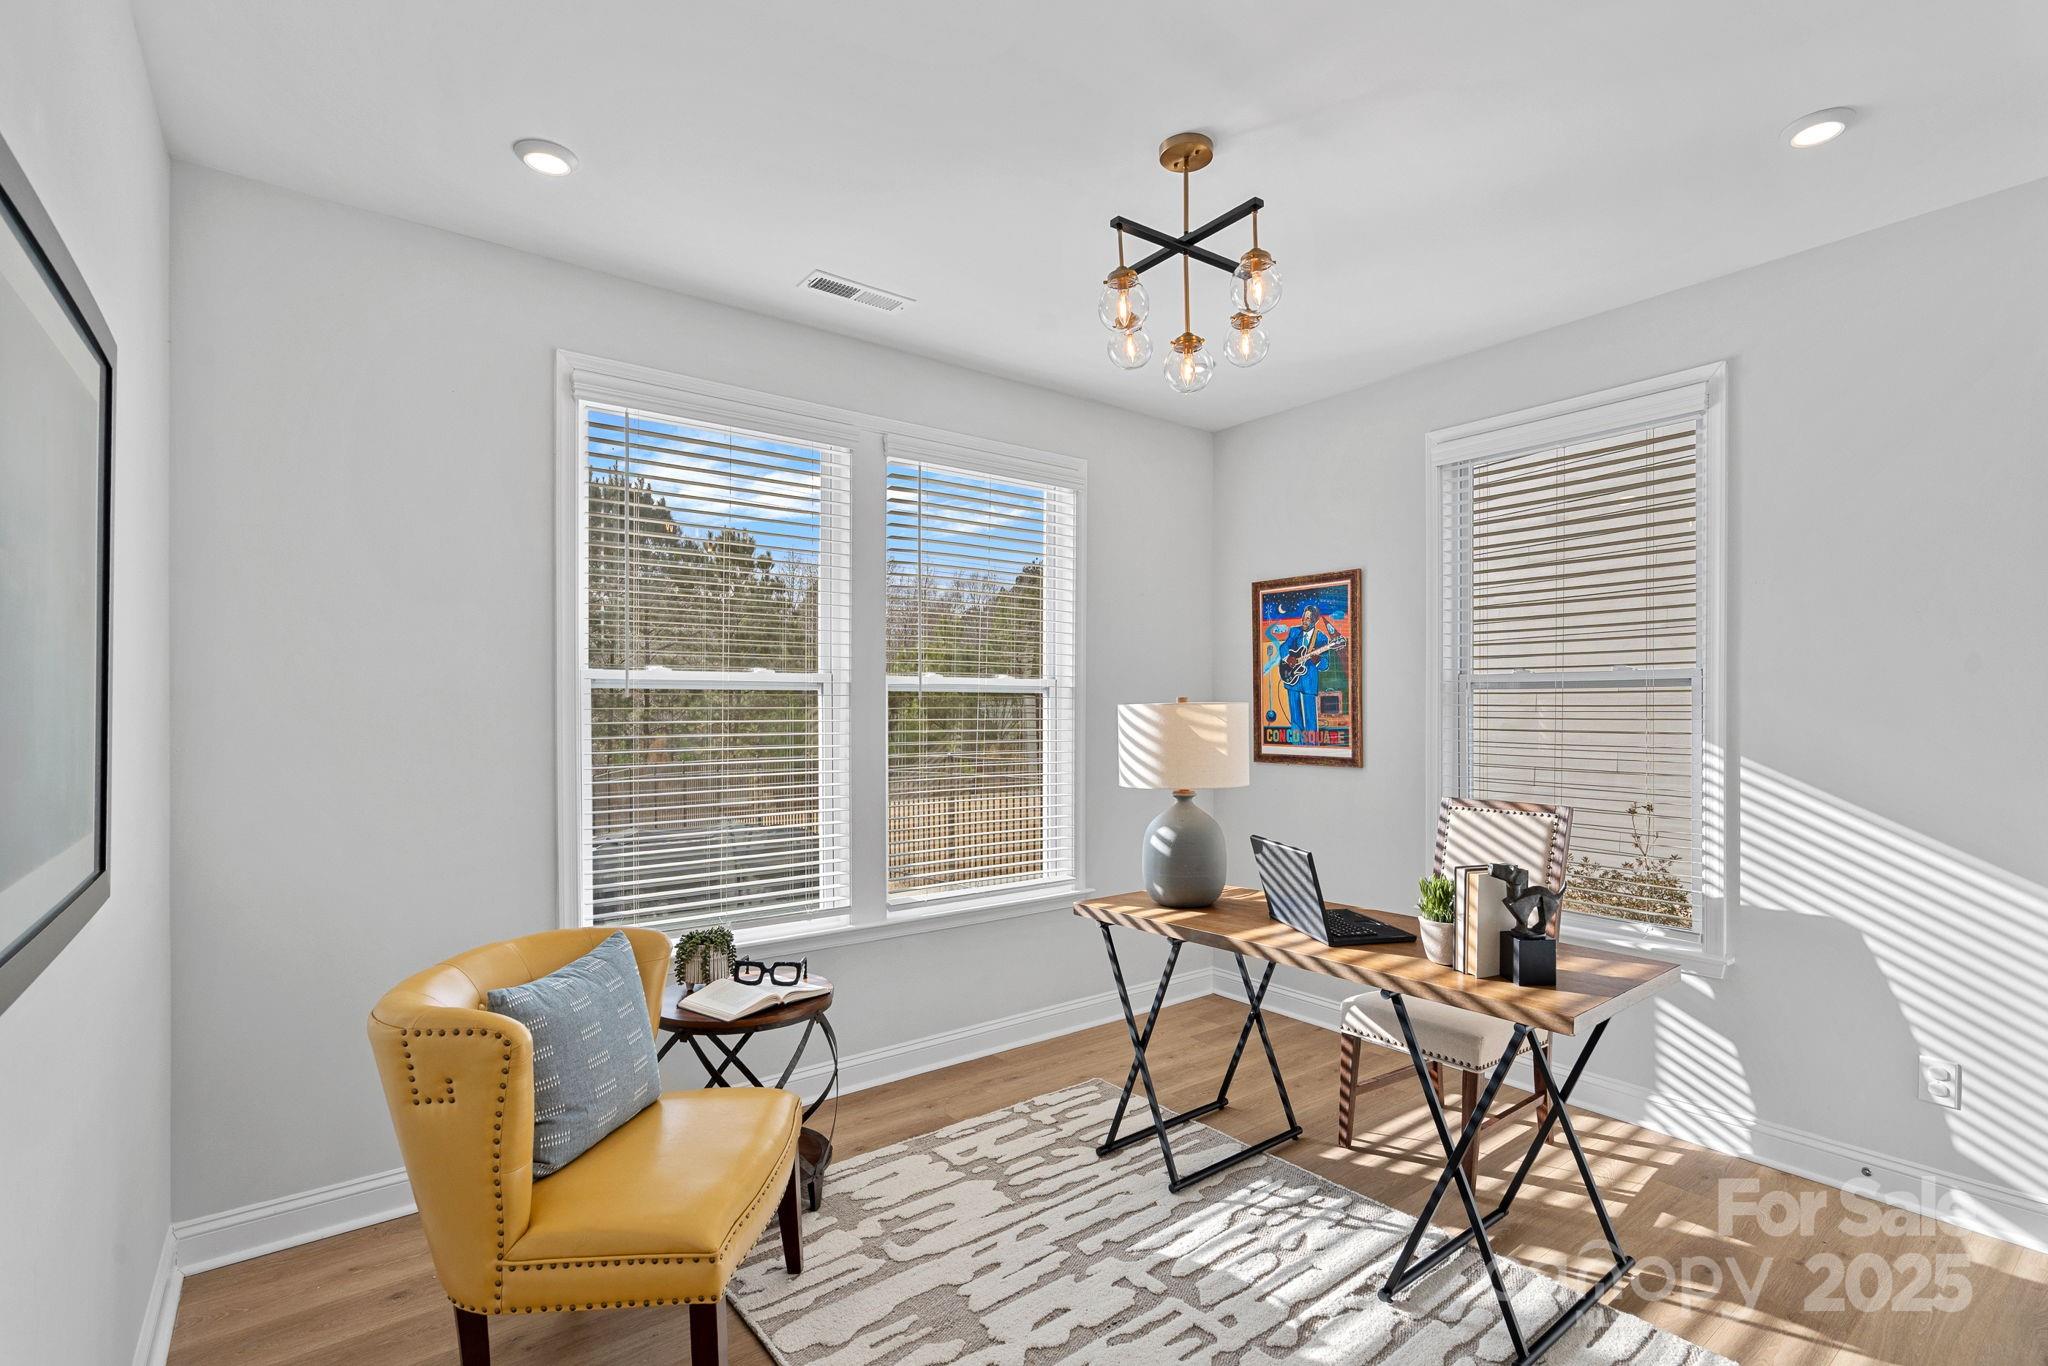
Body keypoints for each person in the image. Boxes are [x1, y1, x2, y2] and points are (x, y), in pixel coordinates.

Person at [1281, 606, 1337, 735]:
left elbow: (1325, 665)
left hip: (1309, 682)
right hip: (1291, 678)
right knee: (1295, 719)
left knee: (1311, 720)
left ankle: (1312, 749)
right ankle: (1296, 747)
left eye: (1308, 618)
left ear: (1315, 620)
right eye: (1303, 617)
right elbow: (1284, 647)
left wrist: (1318, 661)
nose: (1304, 621)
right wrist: (1287, 657)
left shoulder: (1321, 638)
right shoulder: (1295, 632)